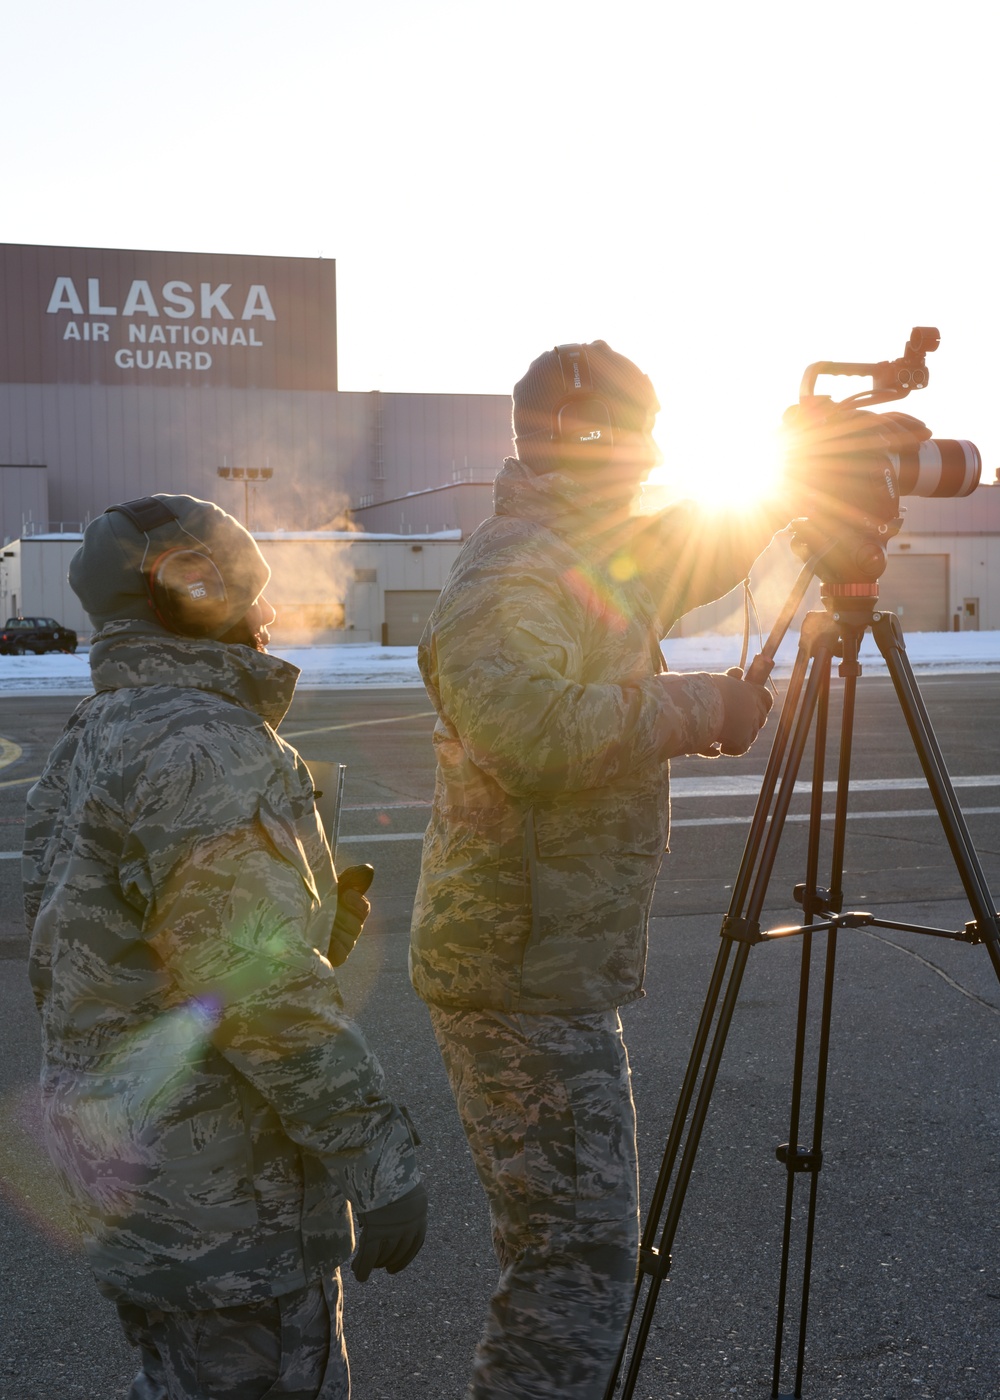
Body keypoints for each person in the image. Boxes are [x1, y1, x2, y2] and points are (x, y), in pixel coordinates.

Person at [409, 341, 798, 1399]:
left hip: (547, 959)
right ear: (593, 445)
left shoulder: (581, 552)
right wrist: (699, 708)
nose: (653, 461)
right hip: (518, 970)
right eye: (640, 440)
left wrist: (779, 497)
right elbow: (524, 727)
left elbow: (678, 562)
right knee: (571, 1260)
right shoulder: (513, 568)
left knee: (570, 1251)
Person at [23, 494, 428, 1400]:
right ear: (192, 593)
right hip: (224, 1200)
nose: (267, 615)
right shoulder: (205, 743)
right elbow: (266, 995)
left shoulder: (99, 731)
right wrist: (379, 1156)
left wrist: (309, 924)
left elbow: (97, 949)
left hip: (143, 1183)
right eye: (247, 591)